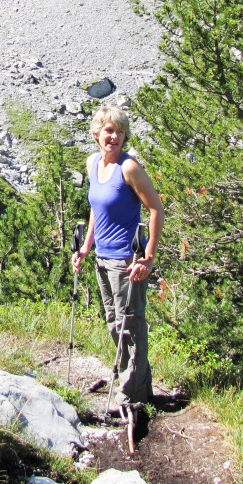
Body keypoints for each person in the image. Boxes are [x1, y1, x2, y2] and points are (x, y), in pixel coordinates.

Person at [72, 106, 164, 415]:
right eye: (109, 130)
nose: (114, 136)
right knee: (115, 323)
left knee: (130, 326)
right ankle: (138, 386)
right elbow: (97, 209)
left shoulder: (129, 168)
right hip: (103, 257)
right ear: (97, 133)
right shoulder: (93, 163)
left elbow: (156, 209)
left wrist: (147, 257)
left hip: (127, 260)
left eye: (120, 131)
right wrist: (86, 247)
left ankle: (131, 397)